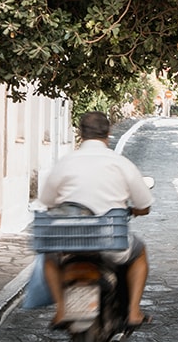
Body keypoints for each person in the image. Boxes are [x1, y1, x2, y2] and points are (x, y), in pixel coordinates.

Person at [39, 111, 153, 329]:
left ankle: (62, 309)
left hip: (69, 240)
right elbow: (143, 203)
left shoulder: (65, 163)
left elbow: (46, 200)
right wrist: (137, 210)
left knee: (49, 258)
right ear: (108, 133)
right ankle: (133, 312)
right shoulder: (120, 163)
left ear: (81, 134)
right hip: (110, 242)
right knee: (139, 253)